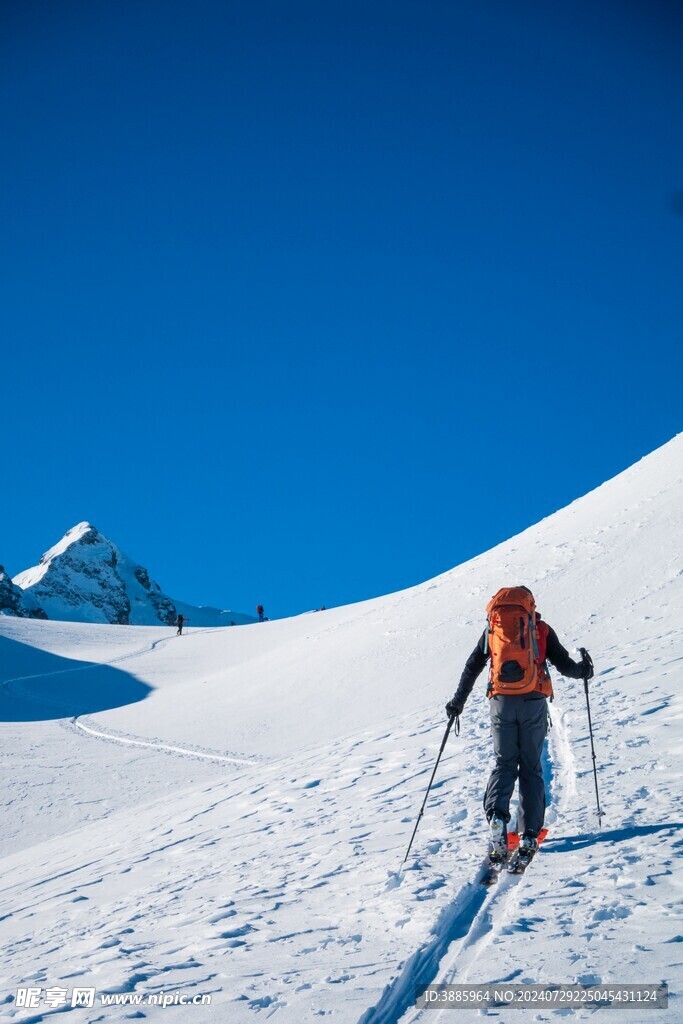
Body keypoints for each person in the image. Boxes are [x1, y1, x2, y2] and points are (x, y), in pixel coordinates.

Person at [445, 586, 593, 866]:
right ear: (530, 605)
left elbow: (472, 667)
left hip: (501, 701)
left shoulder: (493, 630)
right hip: (533, 701)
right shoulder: (540, 629)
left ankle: (498, 818)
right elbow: (565, 666)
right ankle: (529, 834)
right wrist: (585, 670)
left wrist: (457, 702)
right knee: (530, 766)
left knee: (504, 763)